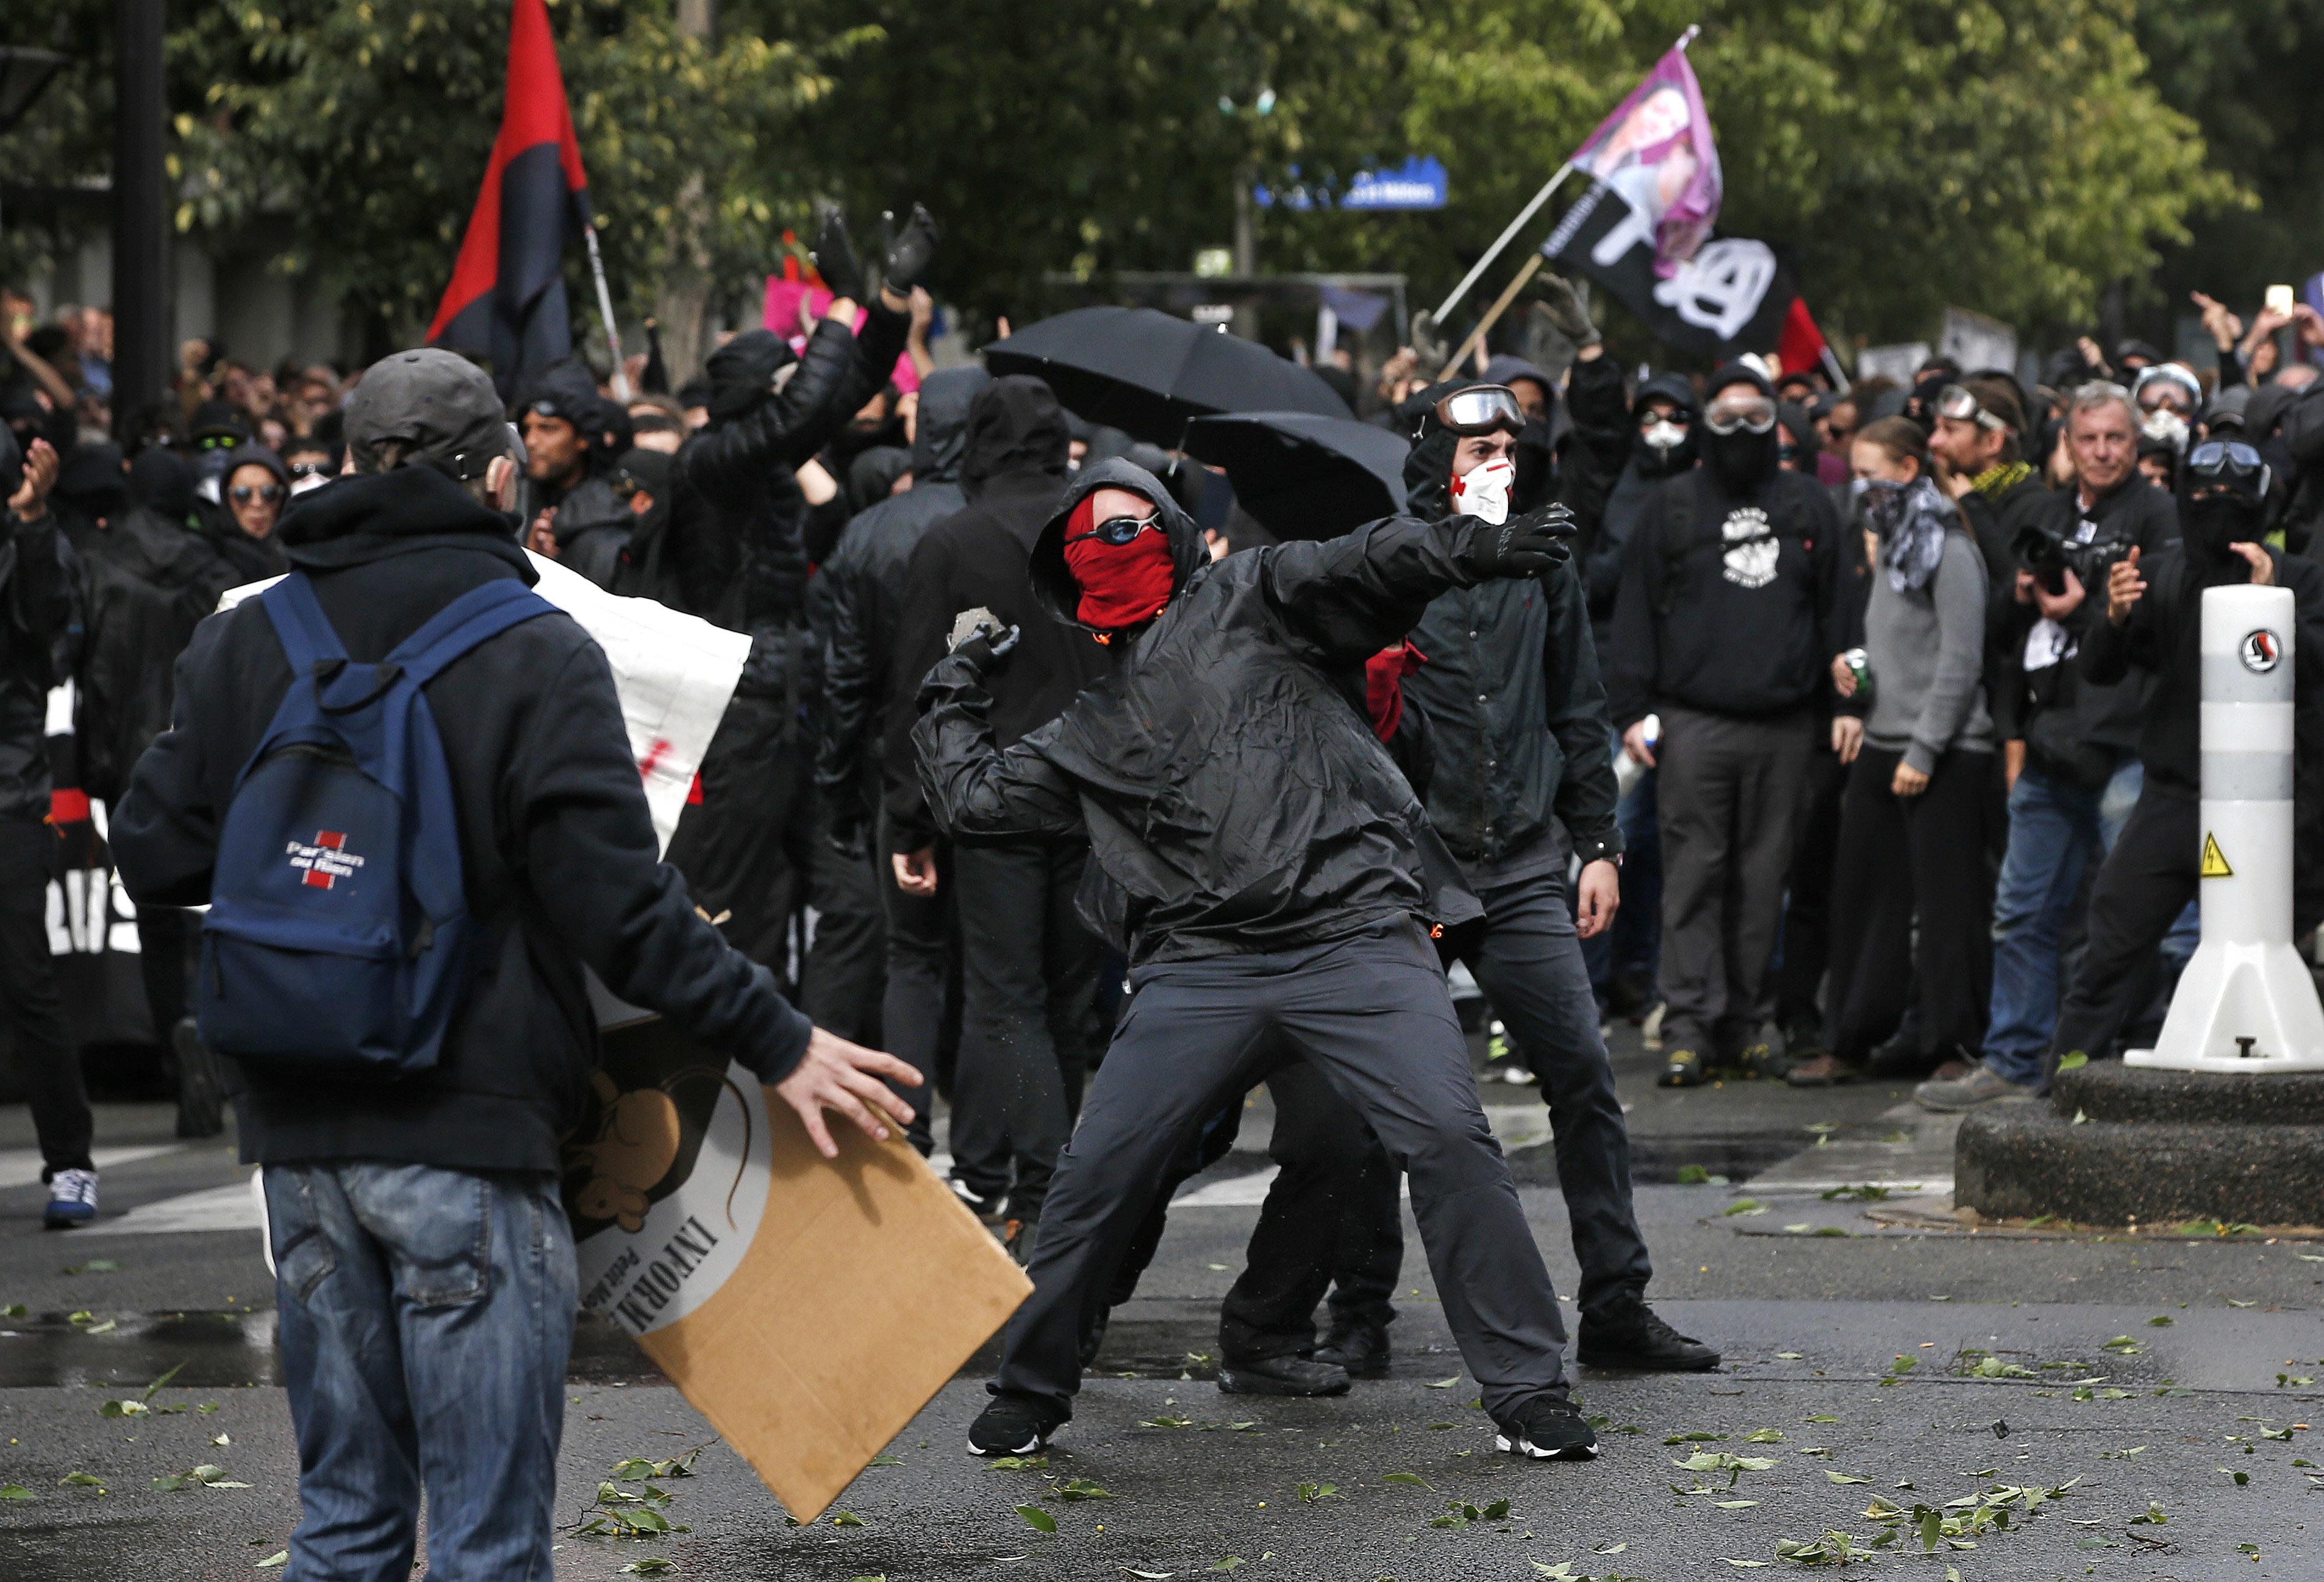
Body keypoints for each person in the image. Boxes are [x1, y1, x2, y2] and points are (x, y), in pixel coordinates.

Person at [111, 346, 918, 1581]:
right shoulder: (537, 647)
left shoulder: (249, 639)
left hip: (297, 1138)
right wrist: (783, 1039)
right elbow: (621, 910)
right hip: (469, 1132)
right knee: (488, 1545)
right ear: (499, 477)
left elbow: (155, 850)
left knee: (343, 1528)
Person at [918, 457, 1605, 1463]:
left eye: (1132, 528)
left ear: (1175, 532)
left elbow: (1363, 561)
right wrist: (954, 680)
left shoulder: (1251, 595)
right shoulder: (1088, 729)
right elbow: (973, 801)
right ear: (1064, 575)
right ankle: (1029, 1385)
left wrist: (1473, 548)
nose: (1115, 550)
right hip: (1202, 967)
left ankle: (1527, 1390)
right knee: (1097, 1172)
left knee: (1451, 1142)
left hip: (1355, 935)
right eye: (1090, 540)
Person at [1207, 374, 1716, 1388]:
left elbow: (1579, 707)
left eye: (1509, 453)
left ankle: (1616, 1301)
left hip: (1524, 860)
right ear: (1432, 462)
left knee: (1583, 1077)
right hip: (1405, 877)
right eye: (1479, 451)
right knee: (1374, 1109)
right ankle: (1359, 1315)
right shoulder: (1383, 566)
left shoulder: (1542, 567)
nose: (1499, 467)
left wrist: (1598, 846)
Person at [626, 205, 933, 983]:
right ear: (749, 400)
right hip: (735, 719)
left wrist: (889, 301)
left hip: (795, 712)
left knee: (853, 905)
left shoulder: (759, 459)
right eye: (783, 387)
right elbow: (806, 411)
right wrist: (839, 300)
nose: (808, 402)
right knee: (739, 909)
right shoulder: (710, 461)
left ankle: (804, 1075)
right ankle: (723, 1081)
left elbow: (838, 393)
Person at [885, 376, 1107, 1254]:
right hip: (1094, 797)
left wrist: (912, 818)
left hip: (993, 803)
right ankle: (1052, 1189)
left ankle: (1040, 1191)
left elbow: (916, 688)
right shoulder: (1099, 526)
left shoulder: (953, 541)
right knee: (1064, 1000)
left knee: (1006, 999)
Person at [1912, 383, 2179, 1108]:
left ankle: (2131, 1061)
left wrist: (2087, 604)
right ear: (2066, 441)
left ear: (2134, 442)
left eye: (2115, 439)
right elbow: (2003, 619)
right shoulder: (2049, 513)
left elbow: (2163, 622)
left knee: (2136, 917)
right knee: (2022, 912)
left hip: (2125, 743)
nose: (2101, 452)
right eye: (2088, 439)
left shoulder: (2157, 515)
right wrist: (2026, 591)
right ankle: (2013, 1059)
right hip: (2050, 739)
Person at [2034, 439, 2324, 1071]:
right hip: (2175, 797)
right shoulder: (2162, 576)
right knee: (2111, 940)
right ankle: (2064, 1083)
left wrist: (2272, 611)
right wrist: (2110, 616)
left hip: (2273, 808)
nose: (2218, 508)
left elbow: (2314, 673)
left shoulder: (2301, 579)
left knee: (2277, 947)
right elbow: (2101, 671)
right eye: (2202, 496)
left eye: (2233, 497)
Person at [1605, 364, 1843, 1088]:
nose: (1741, 431)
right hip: (1693, 725)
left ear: (1776, 424)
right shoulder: (1671, 507)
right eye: (1727, 417)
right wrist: (1631, 712)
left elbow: (1841, 615)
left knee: (1761, 881)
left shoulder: (1809, 505)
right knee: (1693, 879)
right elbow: (1635, 615)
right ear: (1706, 424)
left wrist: (1849, 705)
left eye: (1756, 417)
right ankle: (1687, 1026)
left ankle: (1745, 1024)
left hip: (1785, 726)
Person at [818, 365, 990, 1149]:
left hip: (896, 772)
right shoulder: (1001, 525)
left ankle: (910, 1128)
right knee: (994, 965)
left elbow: (845, 679)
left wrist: (836, 792)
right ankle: (995, 1149)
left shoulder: (870, 532)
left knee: (912, 956)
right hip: (994, 766)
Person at [1791, 419, 1993, 1085]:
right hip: (1883, 740)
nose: (1859, 487)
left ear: (1907, 471)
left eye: (1871, 472)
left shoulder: (1950, 550)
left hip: (1940, 750)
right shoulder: (1892, 543)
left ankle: (1952, 1047)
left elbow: (1960, 660)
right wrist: (1858, 670)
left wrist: (1927, 749)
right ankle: (1849, 1037)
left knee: (1946, 908)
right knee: (1861, 900)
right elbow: (1895, 643)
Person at [0, 429, 91, 1225]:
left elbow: (49, 628)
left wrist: (31, 522)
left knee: (27, 980)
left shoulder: (33, 545)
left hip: (7, 796)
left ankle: (71, 1163)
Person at [515, 360, 631, 587]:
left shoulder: (608, 520)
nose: (531, 442)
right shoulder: (512, 506)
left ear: (582, 438)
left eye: (547, 428)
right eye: (526, 429)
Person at [224, 446, 291, 541]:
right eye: (242, 494)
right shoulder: (207, 551)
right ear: (227, 498)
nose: (257, 503)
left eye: (269, 493)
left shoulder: (302, 549)